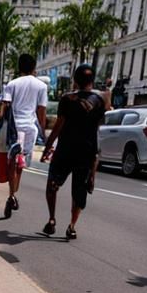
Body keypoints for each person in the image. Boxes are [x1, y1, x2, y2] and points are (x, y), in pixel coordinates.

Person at [40, 64, 106, 240]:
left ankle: (52, 219)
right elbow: (97, 131)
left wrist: (47, 147)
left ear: (75, 81)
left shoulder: (67, 99)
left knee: (52, 185)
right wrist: (94, 166)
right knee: (79, 191)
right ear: (92, 81)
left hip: (65, 151)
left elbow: (58, 126)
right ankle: (72, 226)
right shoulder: (100, 102)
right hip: (86, 153)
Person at [0, 54, 47, 218]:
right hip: (30, 129)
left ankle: (11, 195)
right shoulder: (41, 86)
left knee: (12, 161)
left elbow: (5, 107)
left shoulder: (11, 84)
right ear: (34, 68)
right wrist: (44, 133)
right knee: (20, 164)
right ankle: (12, 194)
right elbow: (41, 111)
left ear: (19, 67)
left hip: (13, 128)